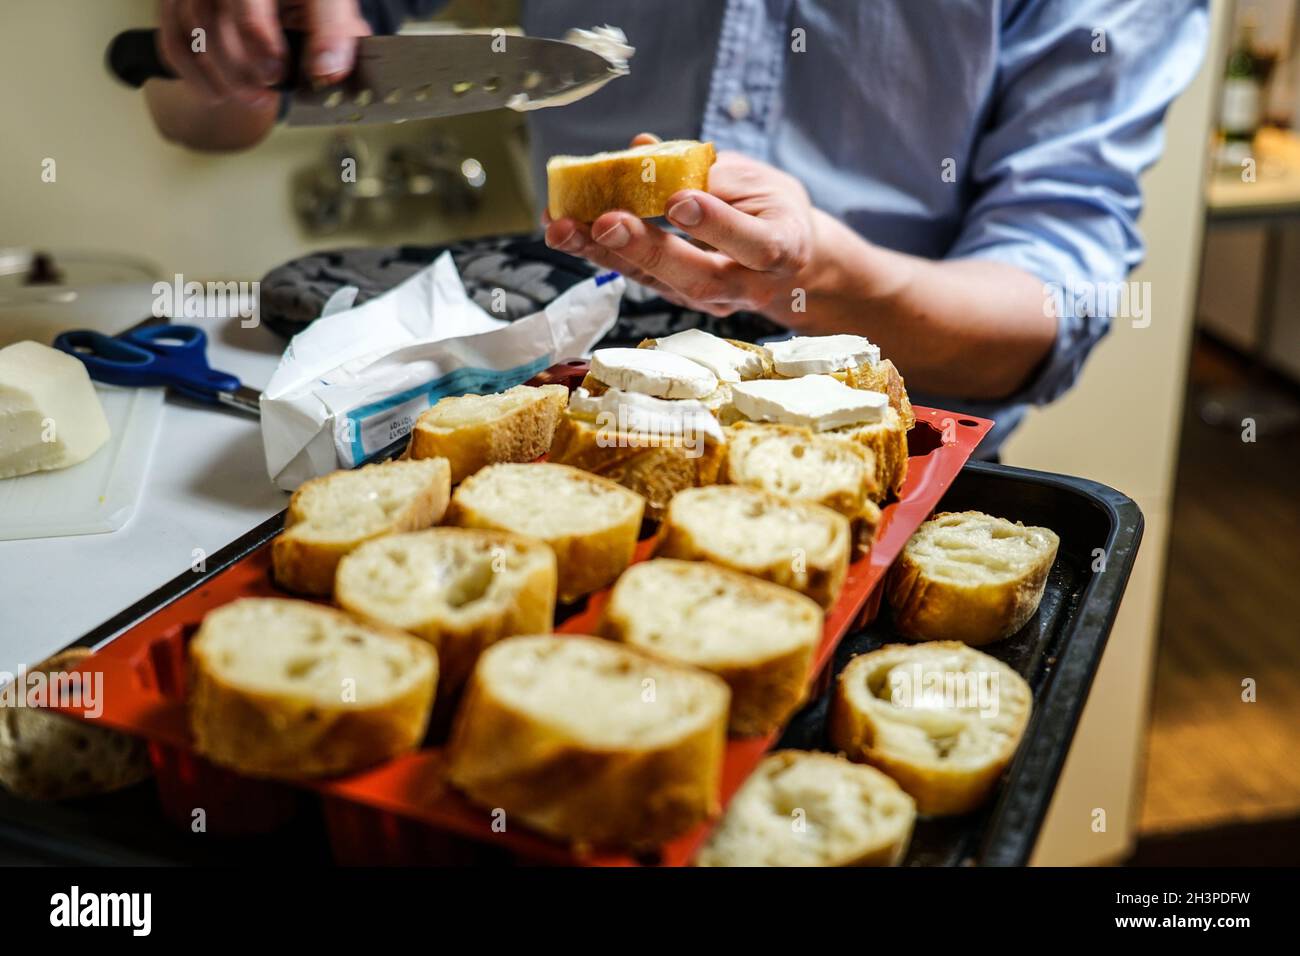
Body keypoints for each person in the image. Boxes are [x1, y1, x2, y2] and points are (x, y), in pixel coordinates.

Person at [142, 0, 1209, 451]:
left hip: (894, 474)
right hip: (574, 422)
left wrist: (815, 280)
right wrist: (225, 51)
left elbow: (1050, 303)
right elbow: (198, 110)